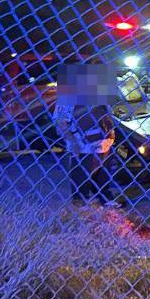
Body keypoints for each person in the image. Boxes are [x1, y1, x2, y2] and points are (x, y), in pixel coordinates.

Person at [54, 64, 119, 206]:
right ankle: (80, 200)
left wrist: (111, 134)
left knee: (103, 171)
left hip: (103, 140)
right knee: (81, 171)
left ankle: (104, 197)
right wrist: (72, 141)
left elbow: (108, 114)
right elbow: (61, 120)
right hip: (81, 142)